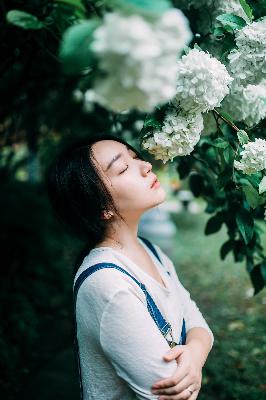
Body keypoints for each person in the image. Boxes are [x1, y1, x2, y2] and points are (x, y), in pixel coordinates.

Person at [45, 133, 214, 400]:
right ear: (102, 207)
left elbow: (196, 321)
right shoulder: (107, 285)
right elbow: (175, 393)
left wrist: (194, 355)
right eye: (123, 168)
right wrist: (193, 362)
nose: (146, 166)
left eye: (134, 157)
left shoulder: (151, 251)